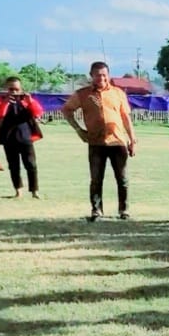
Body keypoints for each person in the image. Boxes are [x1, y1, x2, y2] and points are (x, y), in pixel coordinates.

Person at [62, 62, 137, 221]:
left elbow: (126, 117)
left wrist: (132, 140)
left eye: (104, 75)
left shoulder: (118, 93)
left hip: (117, 142)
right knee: (96, 179)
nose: (101, 78)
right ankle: (96, 210)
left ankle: (124, 210)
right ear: (91, 75)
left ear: (108, 75)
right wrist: (79, 129)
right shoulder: (83, 94)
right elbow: (67, 110)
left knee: (123, 179)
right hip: (96, 143)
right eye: (97, 75)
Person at [0, 77, 43, 198]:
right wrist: (5, 102)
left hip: (26, 136)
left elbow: (38, 112)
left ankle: (34, 191)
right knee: (13, 166)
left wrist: (30, 102)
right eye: (11, 89)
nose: (14, 92)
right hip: (9, 138)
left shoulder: (26, 100)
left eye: (16, 89)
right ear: (6, 89)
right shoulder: (1, 99)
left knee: (31, 165)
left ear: (21, 88)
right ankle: (18, 190)